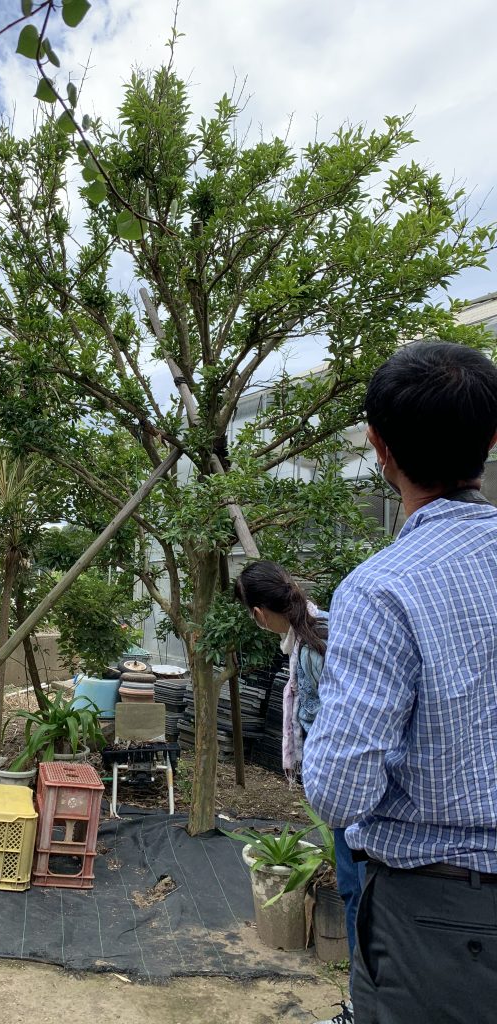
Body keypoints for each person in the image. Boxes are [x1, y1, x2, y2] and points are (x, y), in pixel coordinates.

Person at [303, 341, 497, 1024]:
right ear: (492, 438)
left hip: (442, 918)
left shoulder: (384, 588)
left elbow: (338, 789)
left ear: (378, 446)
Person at [236, 561, 365, 1024]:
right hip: (366, 786)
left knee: (355, 893)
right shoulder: (324, 626)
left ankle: (361, 1005)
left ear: (258, 613)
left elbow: (331, 723)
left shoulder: (312, 648)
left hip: (351, 791)